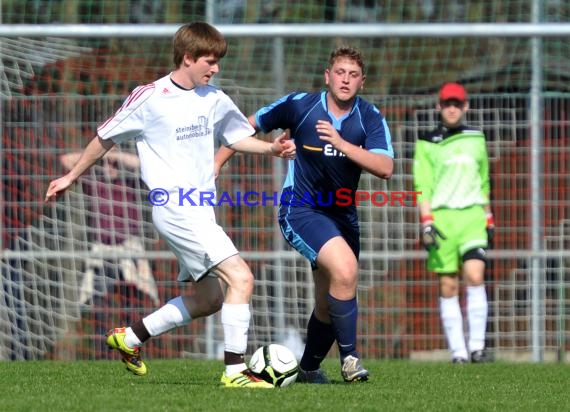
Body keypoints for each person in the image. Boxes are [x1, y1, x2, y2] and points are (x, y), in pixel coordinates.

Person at [45, 21, 295, 388]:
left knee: (209, 300)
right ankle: (235, 373)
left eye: (218, 62)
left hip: (200, 208)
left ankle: (129, 338)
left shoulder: (214, 98)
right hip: (176, 209)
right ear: (188, 57)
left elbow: (238, 137)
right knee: (241, 278)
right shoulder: (149, 97)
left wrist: (271, 148)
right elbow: (105, 136)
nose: (216, 69)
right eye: (209, 61)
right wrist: (71, 176)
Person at [215, 45, 394, 383]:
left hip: (343, 216)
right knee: (345, 269)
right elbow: (242, 127)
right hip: (300, 208)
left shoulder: (369, 116)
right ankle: (351, 360)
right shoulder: (301, 105)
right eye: (340, 72)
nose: (346, 79)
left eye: (353, 75)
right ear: (327, 76)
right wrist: (215, 164)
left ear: (362, 82)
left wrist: (342, 144)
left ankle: (309, 368)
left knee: (330, 301)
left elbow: (385, 167)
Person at [412, 82, 494, 364]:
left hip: (472, 216)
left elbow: (483, 180)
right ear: (439, 106)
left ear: (465, 107)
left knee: (475, 276)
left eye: (456, 104)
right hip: (442, 219)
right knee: (448, 285)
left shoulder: (477, 138)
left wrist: (488, 215)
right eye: (447, 103)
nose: (451, 109)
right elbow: (422, 184)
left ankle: (477, 348)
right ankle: (458, 352)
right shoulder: (426, 142)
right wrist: (426, 221)